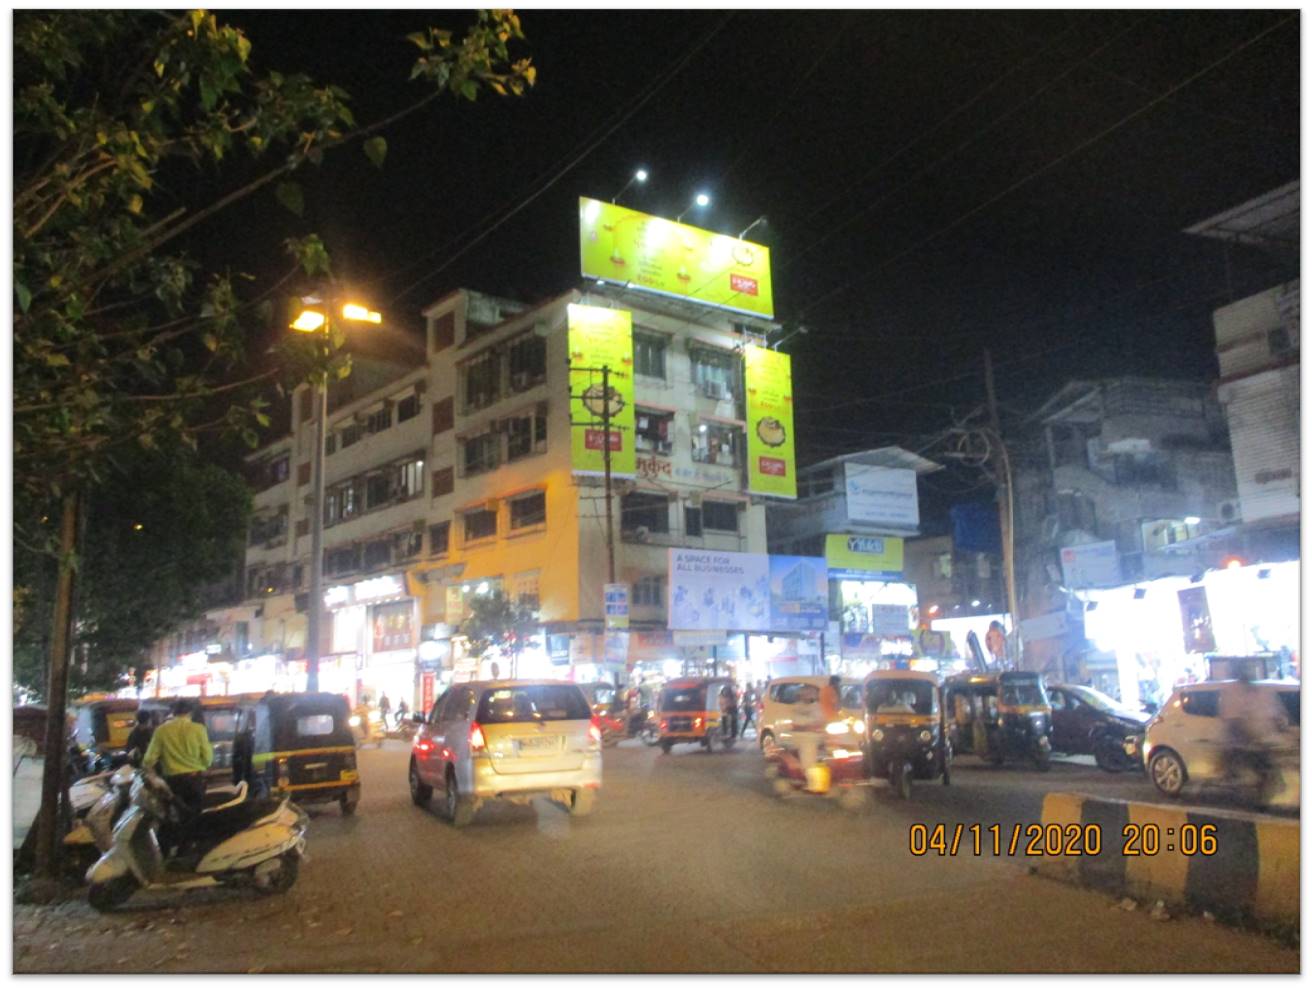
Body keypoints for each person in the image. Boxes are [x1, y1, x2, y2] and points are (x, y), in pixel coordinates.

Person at [142, 698, 214, 849]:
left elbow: (148, 760)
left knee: (173, 816)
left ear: (173, 713)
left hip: (172, 782)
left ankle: (175, 847)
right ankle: (192, 847)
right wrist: (201, 765)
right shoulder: (198, 729)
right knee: (195, 815)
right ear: (190, 713)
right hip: (194, 780)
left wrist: (152, 771)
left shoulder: (161, 730)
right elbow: (208, 758)